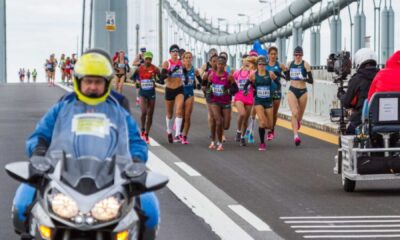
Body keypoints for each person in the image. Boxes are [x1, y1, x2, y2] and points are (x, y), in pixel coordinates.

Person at [13, 49, 160, 239]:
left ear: (106, 83)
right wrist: (39, 152)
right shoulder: (63, 106)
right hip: (65, 172)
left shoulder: (118, 109)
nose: (92, 87)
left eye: (97, 82)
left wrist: (138, 160)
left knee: (148, 207)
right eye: (88, 81)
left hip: (109, 175)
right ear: (79, 81)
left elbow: (134, 141)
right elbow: (40, 134)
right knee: (26, 198)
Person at [341, 48, 379, 134]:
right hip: (381, 118)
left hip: (360, 118)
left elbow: (347, 103)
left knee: (349, 133)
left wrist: (341, 96)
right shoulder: (381, 76)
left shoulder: (357, 79)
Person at [208, 55, 237, 151]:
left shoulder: (229, 76)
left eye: (222, 64)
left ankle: (218, 135)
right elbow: (206, 87)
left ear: (225, 65)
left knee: (226, 125)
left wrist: (228, 91)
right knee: (219, 121)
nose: (220, 66)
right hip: (214, 102)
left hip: (225, 102)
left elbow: (235, 89)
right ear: (216, 64)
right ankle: (216, 142)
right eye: (218, 64)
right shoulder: (211, 75)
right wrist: (208, 94)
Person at [285, 46, 313, 146]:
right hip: (292, 90)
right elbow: (287, 78)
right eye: (296, 54)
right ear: (293, 55)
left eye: (299, 54)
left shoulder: (305, 64)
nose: (297, 56)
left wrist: (304, 78)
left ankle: (297, 123)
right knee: (294, 112)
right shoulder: (290, 64)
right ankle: (296, 136)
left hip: (303, 91)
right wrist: (285, 72)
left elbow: (311, 81)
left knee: (299, 116)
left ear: (302, 55)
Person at [245, 56, 274, 151]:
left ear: (265, 65)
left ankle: (269, 130)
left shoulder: (269, 74)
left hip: (268, 100)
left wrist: (278, 86)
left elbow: (277, 82)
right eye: (260, 64)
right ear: (257, 65)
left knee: (269, 124)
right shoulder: (253, 75)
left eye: (263, 64)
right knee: (262, 121)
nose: (261, 65)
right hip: (258, 101)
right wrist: (246, 89)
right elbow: (247, 83)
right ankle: (262, 143)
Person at [132, 51, 161, 144]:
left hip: (151, 93)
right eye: (147, 59)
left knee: (150, 114)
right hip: (143, 93)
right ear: (144, 59)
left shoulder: (155, 69)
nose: (148, 61)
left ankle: (147, 134)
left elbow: (160, 79)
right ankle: (142, 130)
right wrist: (138, 82)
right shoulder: (139, 69)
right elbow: (132, 78)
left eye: (150, 59)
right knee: (144, 112)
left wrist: (156, 80)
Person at [160, 44, 185, 143]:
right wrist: (169, 72)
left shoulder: (181, 63)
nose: (175, 53)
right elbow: (162, 77)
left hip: (179, 89)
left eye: (176, 51)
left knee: (179, 111)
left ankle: (177, 134)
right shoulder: (167, 63)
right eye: (173, 51)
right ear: (170, 53)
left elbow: (186, 74)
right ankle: (169, 131)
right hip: (169, 89)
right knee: (170, 114)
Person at [266, 46, 287, 140]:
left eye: (275, 54)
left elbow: (288, 77)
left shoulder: (279, 65)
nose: (273, 56)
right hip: (266, 92)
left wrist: (285, 70)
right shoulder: (265, 65)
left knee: (274, 113)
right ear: (268, 55)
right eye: (271, 54)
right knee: (267, 112)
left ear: (276, 55)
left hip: (277, 91)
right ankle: (268, 125)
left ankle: (271, 130)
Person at [233, 54, 254, 146]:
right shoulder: (237, 73)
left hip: (249, 96)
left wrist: (251, 70)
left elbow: (256, 80)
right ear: (242, 61)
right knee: (242, 113)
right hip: (239, 96)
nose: (246, 61)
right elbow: (232, 83)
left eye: (248, 60)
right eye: (244, 60)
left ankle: (242, 137)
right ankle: (238, 131)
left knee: (246, 119)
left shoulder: (252, 72)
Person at [181, 51, 201, 144]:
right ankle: (179, 132)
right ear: (183, 59)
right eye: (186, 58)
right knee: (181, 116)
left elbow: (201, 82)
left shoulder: (195, 70)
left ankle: (184, 136)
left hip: (189, 93)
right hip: (180, 94)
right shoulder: (179, 69)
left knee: (187, 116)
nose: (188, 59)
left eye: (190, 58)